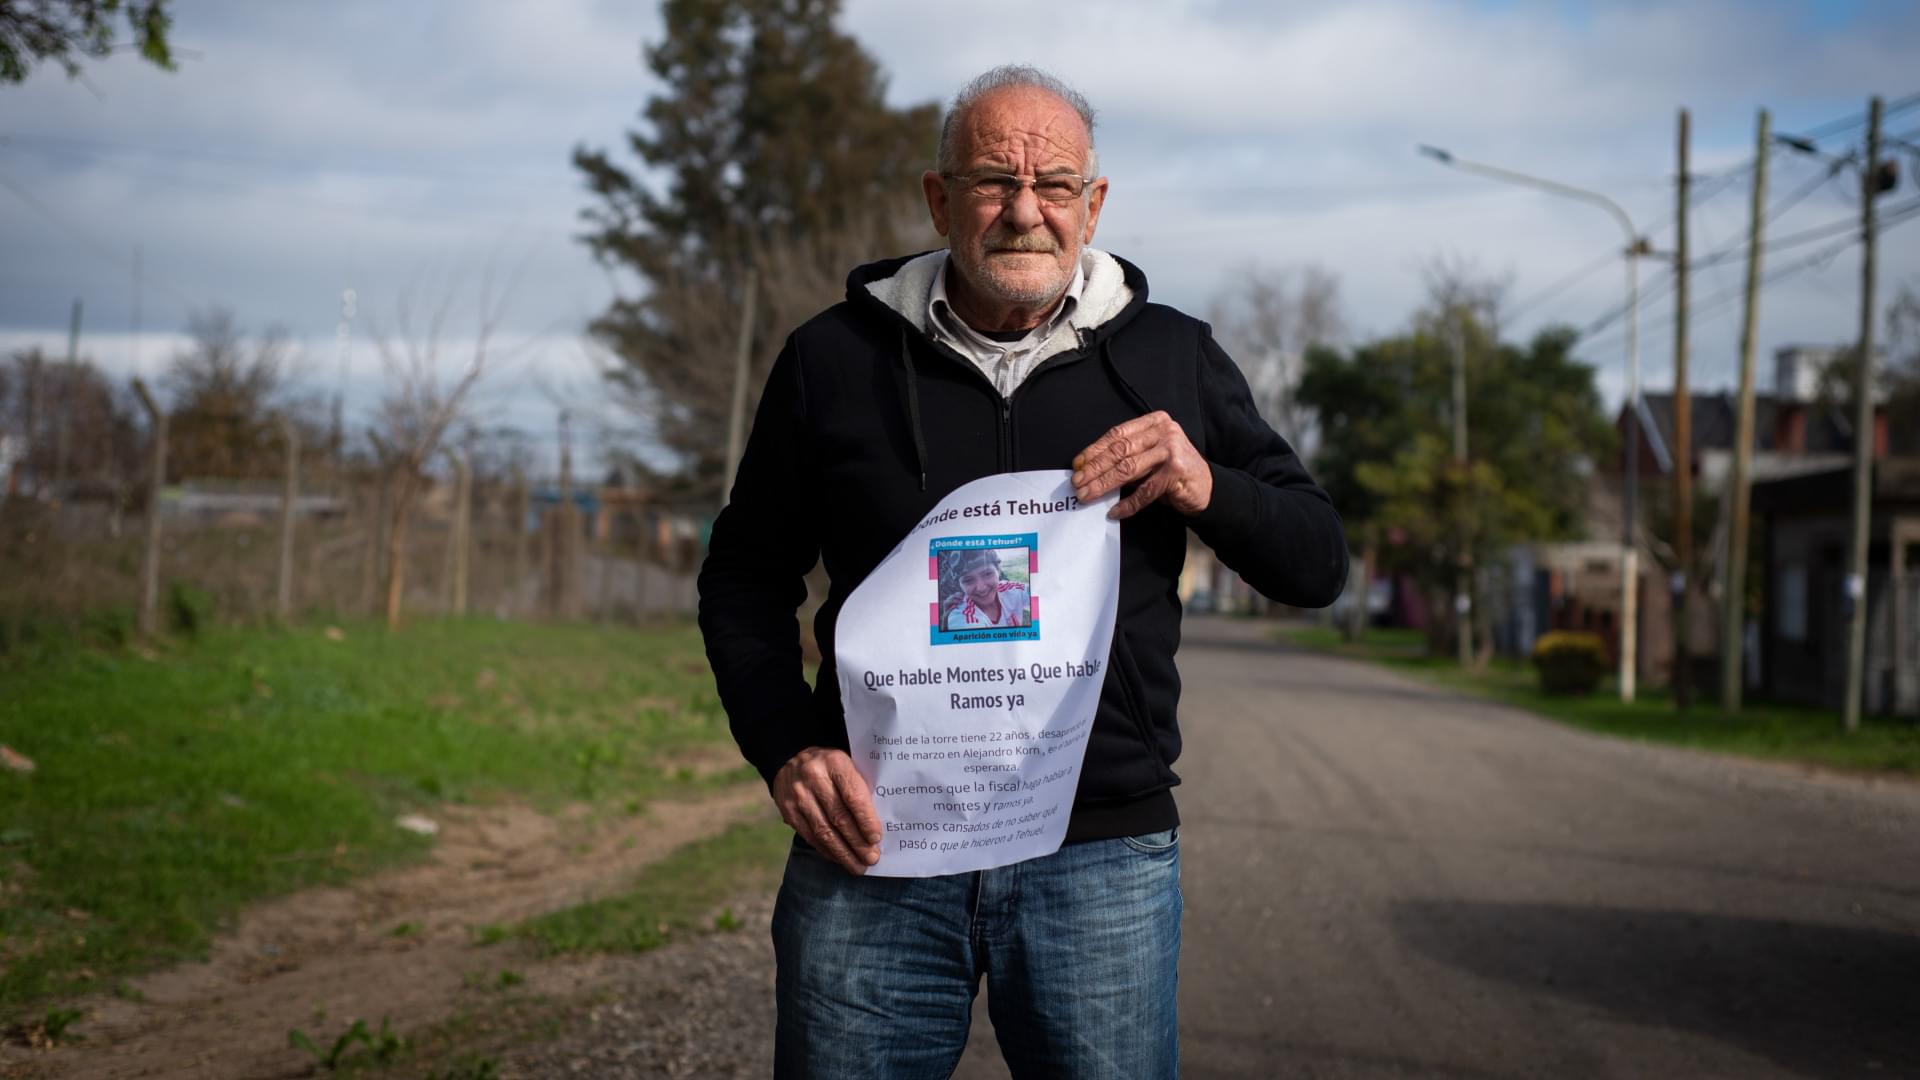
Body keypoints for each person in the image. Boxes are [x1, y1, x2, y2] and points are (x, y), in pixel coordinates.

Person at [698, 64, 1347, 1078]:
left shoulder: (1173, 358)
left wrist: (1201, 478)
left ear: (1093, 206)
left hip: (1099, 856)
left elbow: (1316, 562)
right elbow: (742, 575)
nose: (1025, 211)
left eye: (1054, 187)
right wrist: (782, 745)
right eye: (995, 179)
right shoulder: (833, 361)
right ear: (938, 197)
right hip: (875, 851)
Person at [942, 548, 1030, 630]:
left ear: (998, 571)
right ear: (960, 585)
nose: (981, 588)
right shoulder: (961, 616)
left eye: (987, 574)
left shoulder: (1011, 590)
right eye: (968, 580)